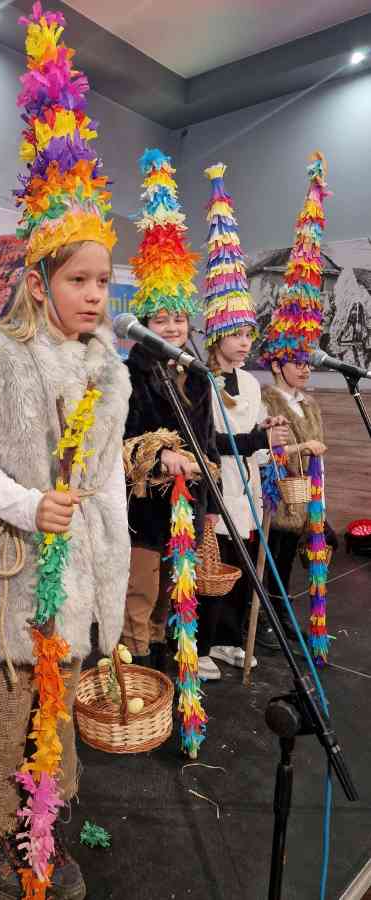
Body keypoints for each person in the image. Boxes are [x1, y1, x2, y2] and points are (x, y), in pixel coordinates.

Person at [0, 6, 130, 898]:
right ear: (40, 279)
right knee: (7, 697)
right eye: (78, 279)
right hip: (11, 566)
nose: (93, 295)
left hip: (78, 565)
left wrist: (113, 584)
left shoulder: (109, 370)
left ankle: (45, 820)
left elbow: (106, 481)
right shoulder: (0, 357)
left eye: (103, 281)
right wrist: (29, 504)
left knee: (61, 698)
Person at [120, 149, 221, 682]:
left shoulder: (198, 377)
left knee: (171, 594)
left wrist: (210, 507)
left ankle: (161, 666)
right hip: (146, 507)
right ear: (145, 325)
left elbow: (209, 445)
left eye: (180, 318)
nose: (174, 328)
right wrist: (160, 455)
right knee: (139, 592)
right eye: (162, 319)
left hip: (188, 507)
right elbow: (125, 434)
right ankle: (132, 669)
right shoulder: (132, 373)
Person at [201, 163, 289, 674]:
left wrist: (267, 437)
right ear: (217, 334)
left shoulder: (252, 384)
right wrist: (254, 437)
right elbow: (211, 438)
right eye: (236, 334)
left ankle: (231, 640)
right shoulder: (201, 381)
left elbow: (252, 433)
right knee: (210, 569)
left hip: (248, 488)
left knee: (240, 568)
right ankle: (202, 645)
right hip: (217, 491)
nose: (243, 343)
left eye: (248, 334)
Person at [258, 151, 333, 651]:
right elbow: (276, 449)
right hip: (281, 499)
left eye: (308, 362)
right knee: (275, 563)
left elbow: (316, 447)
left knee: (296, 564)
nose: (304, 368)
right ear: (278, 364)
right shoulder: (270, 399)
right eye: (297, 362)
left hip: (307, 500)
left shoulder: (311, 403)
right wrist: (302, 451)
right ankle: (271, 622)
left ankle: (284, 619)